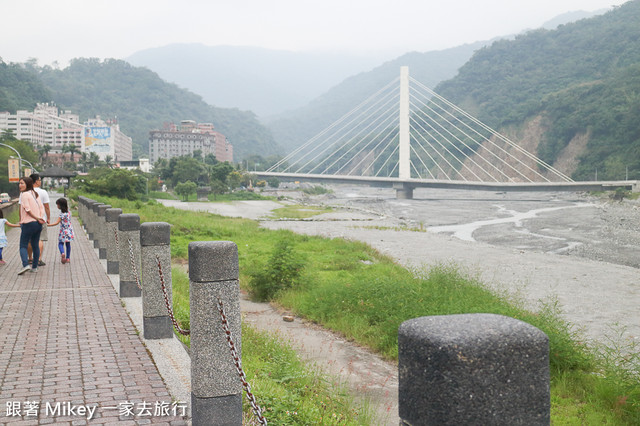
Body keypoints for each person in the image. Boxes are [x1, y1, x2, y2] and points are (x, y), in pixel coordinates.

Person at [17, 176, 46, 275]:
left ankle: (25, 265)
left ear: (27, 184)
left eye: (22, 183)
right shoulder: (35, 193)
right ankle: (35, 267)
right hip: (38, 224)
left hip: (28, 223)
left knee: (23, 245)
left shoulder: (24, 194)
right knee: (35, 245)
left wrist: (35, 217)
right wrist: (39, 218)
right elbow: (41, 208)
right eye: (19, 183)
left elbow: (27, 209)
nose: (20, 185)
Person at [28, 173, 50, 266]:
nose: (40, 182)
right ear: (36, 181)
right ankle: (39, 259)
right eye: (40, 180)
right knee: (40, 239)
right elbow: (47, 207)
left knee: (29, 240)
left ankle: (30, 259)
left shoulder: (25, 192)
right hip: (41, 219)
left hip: (29, 220)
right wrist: (48, 218)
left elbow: (21, 207)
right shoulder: (43, 192)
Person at [48, 198, 75, 264]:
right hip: (69, 231)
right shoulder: (69, 213)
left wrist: (48, 225)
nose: (57, 206)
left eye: (57, 205)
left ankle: (62, 253)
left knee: (60, 243)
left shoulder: (61, 215)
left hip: (63, 231)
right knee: (68, 244)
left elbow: (56, 223)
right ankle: (68, 258)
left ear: (60, 205)